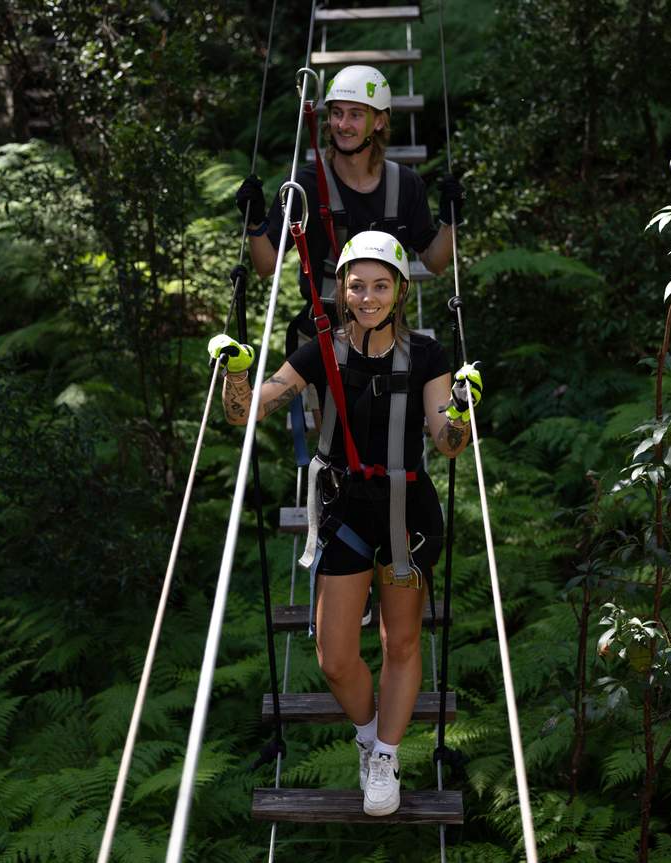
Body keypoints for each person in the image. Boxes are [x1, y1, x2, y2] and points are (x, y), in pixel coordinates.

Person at [208, 231, 484, 817]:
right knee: (334, 657)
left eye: (380, 286)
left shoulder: (428, 355)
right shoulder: (322, 350)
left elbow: (448, 442)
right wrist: (237, 373)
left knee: (400, 641)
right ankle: (366, 735)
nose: (367, 297)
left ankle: (386, 755)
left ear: (400, 291)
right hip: (344, 508)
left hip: (406, 512)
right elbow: (248, 411)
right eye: (357, 286)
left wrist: (461, 408)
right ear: (341, 289)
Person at [234, 64, 464, 356]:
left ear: (378, 121)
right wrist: (255, 222)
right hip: (321, 337)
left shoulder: (405, 184)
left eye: (355, 114)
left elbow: (435, 262)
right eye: (336, 113)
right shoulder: (306, 184)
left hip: (386, 340)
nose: (342, 125)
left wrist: (449, 221)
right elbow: (266, 266)